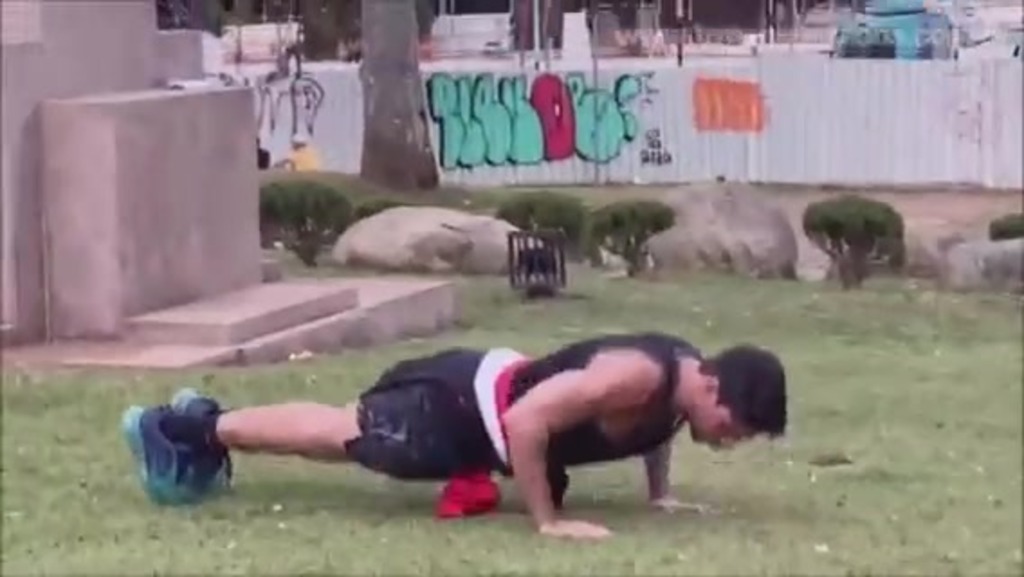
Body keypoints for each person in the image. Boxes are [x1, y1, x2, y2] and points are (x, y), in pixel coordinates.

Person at [121, 332, 787, 540]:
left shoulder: (681, 385)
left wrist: (658, 493)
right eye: (737, 428)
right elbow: (526, 422)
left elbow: (655, 431)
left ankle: (206, 416)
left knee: (338, 425)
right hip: (457, 406)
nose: (732, 441)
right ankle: (181, 429)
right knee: (338, 432)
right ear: (713, 388)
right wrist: (548, 521)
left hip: (478, 399)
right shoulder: (637, 375)